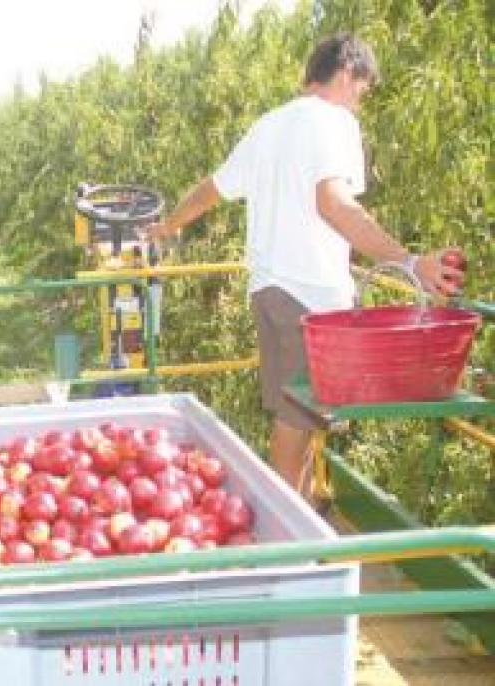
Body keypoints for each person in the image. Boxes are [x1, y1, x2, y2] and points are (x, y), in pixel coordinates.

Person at [147, 34, 461, 495]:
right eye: (362, 90)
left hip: (269, 292)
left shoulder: (268, 125)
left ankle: (300, 511)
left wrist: (168, 226)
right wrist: (409, 263)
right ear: (347, 73)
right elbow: (334, 205)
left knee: (296, 415)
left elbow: (211, 189)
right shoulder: (334, 121)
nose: (359, 102)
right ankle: (287, 524)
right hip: (311, 299)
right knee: (296, 422)